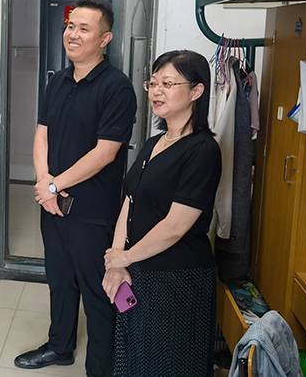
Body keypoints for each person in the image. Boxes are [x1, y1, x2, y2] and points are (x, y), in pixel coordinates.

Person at [14, 0, 137, 377]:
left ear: (105, 39)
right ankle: (60, 346)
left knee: (97, 290)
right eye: (70, 26)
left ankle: (101, 368)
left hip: (92, 211)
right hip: (53, 206)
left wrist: (54, 186)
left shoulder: (117, 88)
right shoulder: (58, 81)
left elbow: (105, 152)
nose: (73, 34)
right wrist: (43, 184)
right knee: (59, 280)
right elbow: (42, 134)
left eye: (84, 28)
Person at [103, 50, 222, 377]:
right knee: (136, 359)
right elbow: (130, 201)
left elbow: (175, 226)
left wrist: (125, 258)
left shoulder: (203, 150)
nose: (156, 91)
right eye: (153, 83)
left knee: (170, 364)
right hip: (138, 271)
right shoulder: (154, 143)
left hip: (177, 280)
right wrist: (117, 259)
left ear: (196, 91)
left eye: (167, 84)